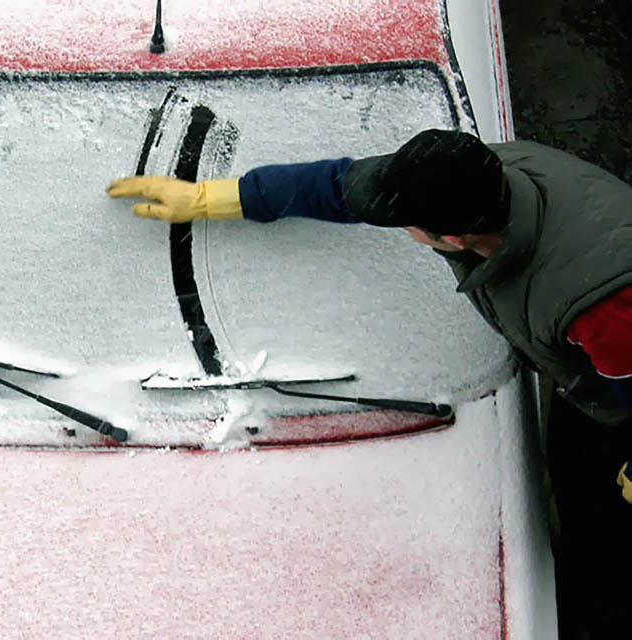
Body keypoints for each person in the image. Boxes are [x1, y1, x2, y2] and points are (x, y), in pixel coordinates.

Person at [107, 128, 632, 638]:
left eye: (410, 227)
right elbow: (338, 187)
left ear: (454, 240)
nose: (402, 230)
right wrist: (208, 198)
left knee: (605, 522)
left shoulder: (598, 303)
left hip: (614, 396)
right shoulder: (466, 174)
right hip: (580, 364)